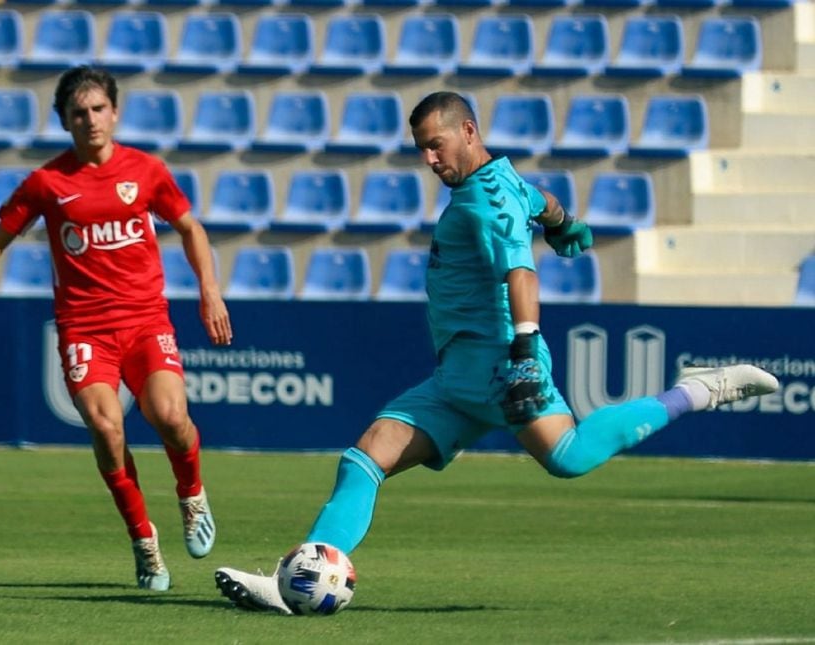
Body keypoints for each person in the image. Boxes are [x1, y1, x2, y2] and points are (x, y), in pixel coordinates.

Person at [213, 91, 779, 614]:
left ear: (468, 130)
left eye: (436, 145)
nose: (430, 160)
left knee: (570, 458)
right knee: (363, 459)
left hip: (500, 366)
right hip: (454, 377)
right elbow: (541, 200)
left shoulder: (485, 201)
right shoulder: (499, 180)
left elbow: (519, 268)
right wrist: (565, 223)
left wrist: (528, 344)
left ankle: (700, 389)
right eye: (421, 150)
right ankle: (299, 580)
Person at [0, 66, 232, 592]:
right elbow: (0, 236)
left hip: (144, 319)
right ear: (65, 121)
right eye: (79, 113)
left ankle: (192, 494)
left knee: (171, 417)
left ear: (115, 112)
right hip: (84, 327)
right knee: (107, 429)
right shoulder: (48, 182)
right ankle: (143, 541)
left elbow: (189, 227)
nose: (90, 120)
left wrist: (210, 291)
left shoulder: (146, 171)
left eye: (98, 109)